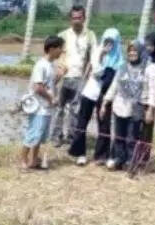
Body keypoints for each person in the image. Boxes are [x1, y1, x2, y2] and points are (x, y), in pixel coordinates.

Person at [69, 28, 120, 166]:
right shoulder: (97, 52)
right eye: (106, 41)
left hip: (105, 95)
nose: (108, 45)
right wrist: (101, 55)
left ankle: (101, 156)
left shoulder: (119, 59)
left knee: (104, 124)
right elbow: (96, 71)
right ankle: (80, 153)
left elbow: (116, 80)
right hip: (90, 91)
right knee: (82, 122)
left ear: (117, 43)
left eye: (112, 42)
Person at [21, 36, 65, 171]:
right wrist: (51, 99)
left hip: (46, 108)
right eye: (59, 48)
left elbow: (49, 85)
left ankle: (34, 160)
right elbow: (38, 87)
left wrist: (59, 76)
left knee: (40, 136)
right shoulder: (41, 65)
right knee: (32, 134)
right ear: (51, 49)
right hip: (38, 107)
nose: (61, 51)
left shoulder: (51, 65)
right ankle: (23, 161)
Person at [54, 6, 96, 146]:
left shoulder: (90, 36)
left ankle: (72, 136)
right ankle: (57, 136)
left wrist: (86, 76)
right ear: (70, 19)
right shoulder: (62, 36)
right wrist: (58, 73)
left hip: (80, 78)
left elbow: (93, 58)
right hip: (63, 77)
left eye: (79, 18)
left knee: (75, 109)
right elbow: (56, 56)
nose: (76, 20)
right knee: (59, 107)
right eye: (74, 18)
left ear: (84, 18)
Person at [103, 38, 146, 171]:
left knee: (131, 138)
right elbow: (114, 85)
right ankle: (119, 159)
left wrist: (149, 107)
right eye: (130, 51)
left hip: (135, 109)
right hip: (120, 107)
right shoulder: (122, 68)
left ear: (140, 52)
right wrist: (105, 102)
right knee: (119, 136)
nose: (132, 53)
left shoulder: (146, 69)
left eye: (135, 51)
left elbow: (149, 89)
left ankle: (130, 161)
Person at [128, 31, 155, 175]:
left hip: (149, 102)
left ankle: (142, 163)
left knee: (146, 133)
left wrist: (151, 108)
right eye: (147, 45)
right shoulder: (144, 58)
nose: (148, 48)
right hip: (138, 101)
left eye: (151, 45)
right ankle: (132, 160)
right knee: (134, 132)